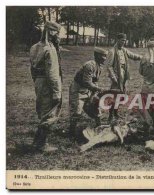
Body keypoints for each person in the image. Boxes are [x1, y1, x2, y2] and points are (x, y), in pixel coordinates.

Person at [29, 21, 62, 152]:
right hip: (48, 83)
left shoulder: (34, 47)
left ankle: (37, 142)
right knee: (49, 113)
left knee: (42, 111)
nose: (57, 36)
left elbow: (32, 69)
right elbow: (53, 73)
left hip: (39, 81)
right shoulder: (50, 49)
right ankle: (42, 144)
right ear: (51, 32)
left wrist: (37, 82)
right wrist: (56, 92)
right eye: (56, 33)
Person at [69, 47, 107, 143]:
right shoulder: (89, 65)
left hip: (89, 91)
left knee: (95, 109)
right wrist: (98, 89)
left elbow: (95, 81)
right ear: (97, 56)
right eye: (103, 56)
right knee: (77, 111)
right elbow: (86, 82)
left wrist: (95, 94)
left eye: (106, 56)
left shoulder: (99, 66)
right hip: (78, 89)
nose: (105, 59)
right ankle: (71, 132)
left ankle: (100, 127)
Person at [105, 33, 142, 122]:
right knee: (114, 95)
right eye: (122, 40)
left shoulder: (124, 50)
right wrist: (114, 77)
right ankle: (111, 115)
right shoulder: (112, 51)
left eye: (125, 41)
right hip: (117, 76)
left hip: (124, 75)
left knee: (120, 95)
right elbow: (109, 66)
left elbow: (134, 56)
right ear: (117, 40)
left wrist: (144, 58)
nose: (123, 42)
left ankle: (116, 113)